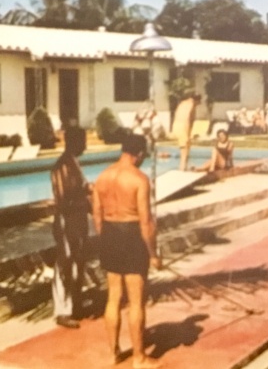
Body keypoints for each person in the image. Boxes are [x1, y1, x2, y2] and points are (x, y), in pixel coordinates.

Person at [92, 134, 161, 369]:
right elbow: (146, 222)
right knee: (136, 301)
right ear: (139, 153)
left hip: (110, 234)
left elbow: (98, 218)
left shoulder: (102, 177)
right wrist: (153, 254)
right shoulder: (139, 180)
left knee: (113, 297)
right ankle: (139, 359)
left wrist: (107, 240)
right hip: (131, 235)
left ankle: (113, 354)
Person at [50, 127, 90, 329]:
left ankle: (75, 304)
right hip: (67, 221)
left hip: (78, 220)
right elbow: (64, 200)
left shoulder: (73, 163)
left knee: (78, 262)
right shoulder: (61, 167)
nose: (86, 145)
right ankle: (62, 310)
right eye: (82, 141)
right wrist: (87, 201)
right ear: (73, 142)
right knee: (65, 263)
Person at [172, 93, 200, 171]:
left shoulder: (182, 103)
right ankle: (182, 167)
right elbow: (187, 117)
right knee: (185, 147)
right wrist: (188, 132)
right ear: (196, 100)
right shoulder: (191, 104)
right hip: (183, 126)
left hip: (176, 125)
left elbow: (176, 114)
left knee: (184, 146)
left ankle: (183, 166)